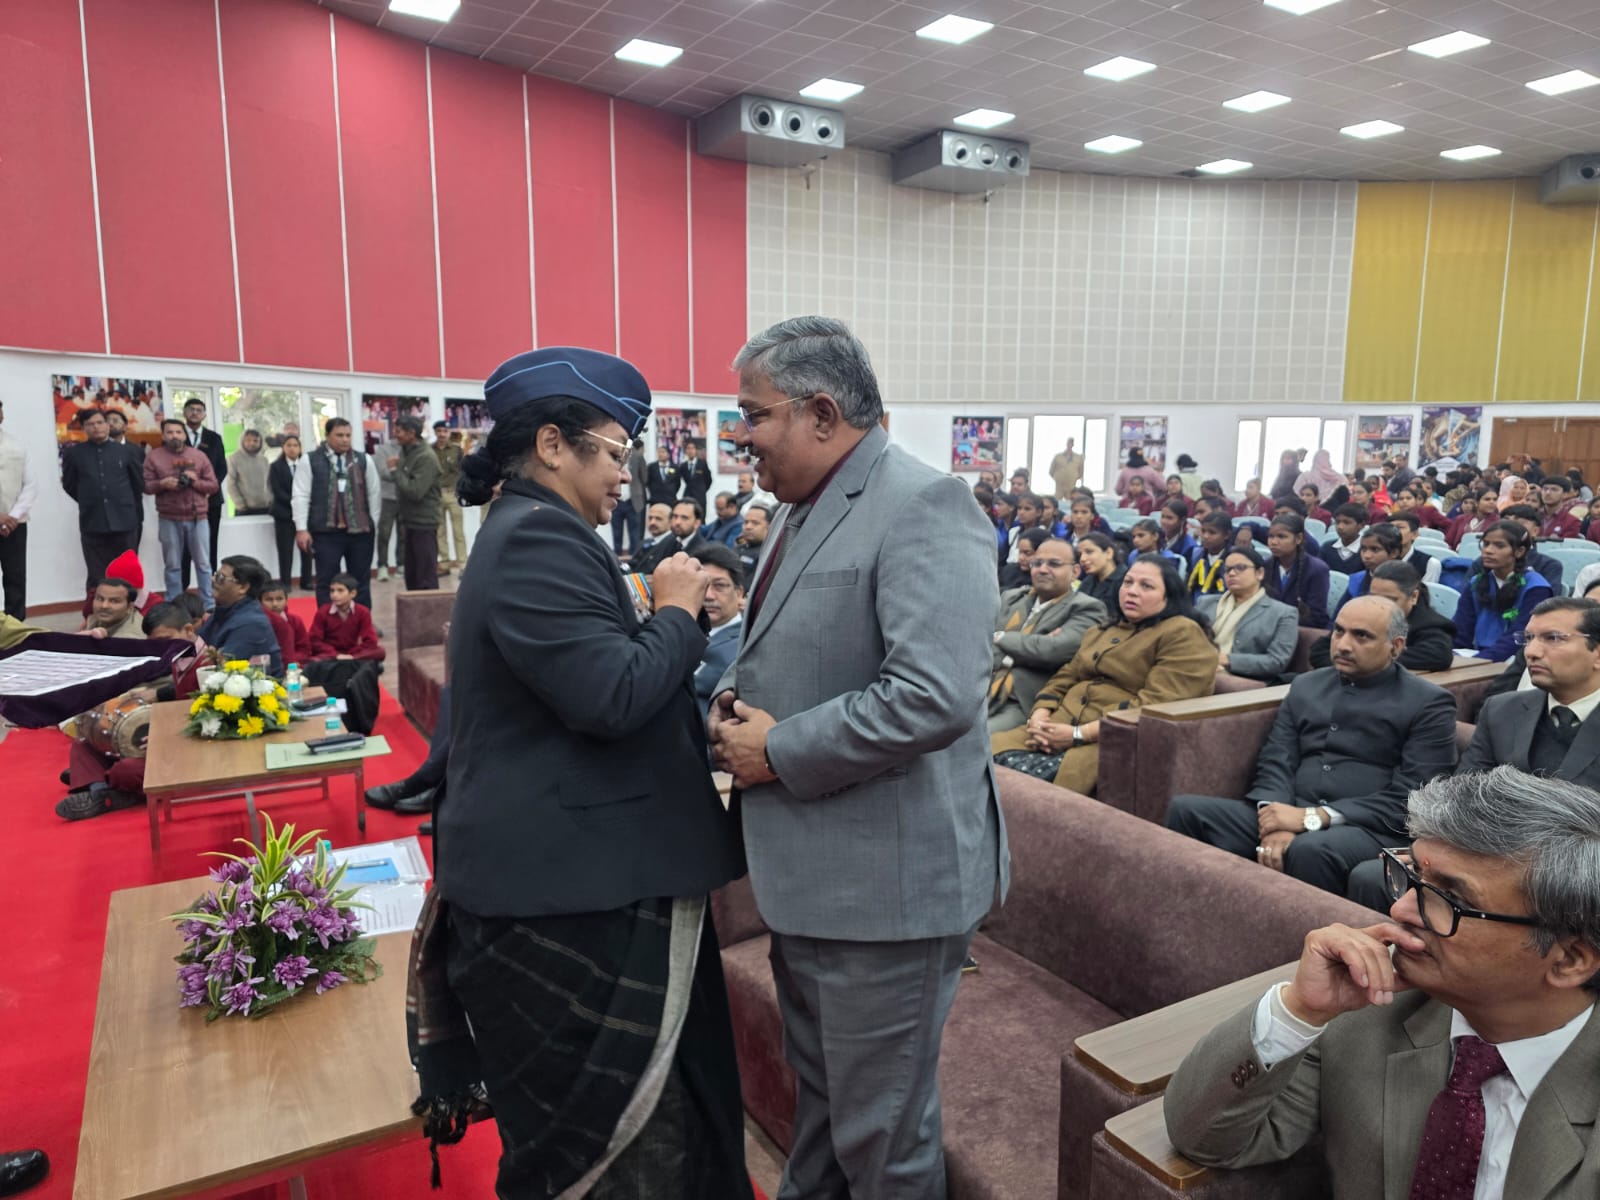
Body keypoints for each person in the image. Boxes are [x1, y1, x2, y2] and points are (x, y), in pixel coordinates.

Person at [420, 345, 751, 1198]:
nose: (625, 477)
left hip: (580, 873)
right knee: (626, 1157)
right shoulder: (537, 538)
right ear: (552, 446)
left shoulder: (541, 529)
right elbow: (610, 695)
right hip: (568, 897)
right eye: (615, 453)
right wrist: (678, 611)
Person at [706, 317, 1004, 1199]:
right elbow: (790, 647)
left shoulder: (924, 505)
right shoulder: (800, 507)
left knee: (883, 1141)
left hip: (887, 895)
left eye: (754, 414)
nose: (741, 436)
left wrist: (775, 749)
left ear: (822, 412)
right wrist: (735, 701)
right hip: (816, 878)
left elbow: (933, 696)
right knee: (829, 1111)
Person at [1164, 767, 1600, 1199]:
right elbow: (1201, 1138)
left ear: (1569, 960)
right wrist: (1298, 1011)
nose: (1401, 911)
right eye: (1413, 878)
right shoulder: (1369, 1008)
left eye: (1451, 899)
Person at [1167, 595, 1457, 896]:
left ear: (1395, 646)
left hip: (1368, 826)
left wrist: (1314, 818)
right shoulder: (1307, 685)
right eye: (1339, 631)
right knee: (1187, 811)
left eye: (1361, 636)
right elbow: (1277, 759)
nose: (1343, 644)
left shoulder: (1428, 702)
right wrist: (1274, 818)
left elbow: (1415, 797)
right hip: (1291, 809)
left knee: (1311, 850)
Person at [992, 556, 1218, 793]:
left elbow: (1156, 707)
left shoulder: (1182, 632)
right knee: (978, 757)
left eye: (1146, 586)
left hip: (1109, 740)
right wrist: (1039, 716)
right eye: (1128, 582)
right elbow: (1065, 676)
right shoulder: (1103, 630)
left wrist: (1078, 734)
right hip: (1054, 728)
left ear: (1169, 596)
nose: (1132, 591)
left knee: (1017, 785)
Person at [55, 601, 199, 822]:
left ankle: (98, 784)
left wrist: (168, 736)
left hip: (186, 748)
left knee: (126, 769)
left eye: (165, 640)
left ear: (188, 630)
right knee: (85, 742)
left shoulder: (209, 664)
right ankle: (100, 787)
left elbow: (209, 723)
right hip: (164, 734)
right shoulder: (178, 654)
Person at [989, 538, 1108, 734]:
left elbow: (1052, 650)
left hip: (1021, 700)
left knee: (970, 739)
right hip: (981, 688)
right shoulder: (1012, 597)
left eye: (1054, 564)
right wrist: (1029, 646)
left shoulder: (1087, 608)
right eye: (1037, 563)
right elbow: (978, 641)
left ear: (1075, 572)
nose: (1042, 570)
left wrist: (1000, 637)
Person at [292, 417, 381, 610]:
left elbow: (374, 494)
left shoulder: (364, 460)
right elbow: (300, 495)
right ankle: (327, 622)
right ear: (327, 436)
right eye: (339, 435)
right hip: (325, 532)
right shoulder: (310, 460)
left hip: (360, 532)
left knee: (360, 580)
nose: (344, 439)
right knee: (326, 580)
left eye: (348, 435)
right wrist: (301, 529)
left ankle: (362, 621)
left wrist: (372, 524)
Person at [1310, 560, 1455, 673]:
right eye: (1374, 597)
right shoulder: (1360, 614)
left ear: (1413, 597)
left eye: (1390, 600)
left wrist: (1366, 660)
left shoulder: (1430, 624)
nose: (1379, 605)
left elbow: (1439, 656)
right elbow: (1319, 652)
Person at [61, 409, 146, 598]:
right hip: (93, 521)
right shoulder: (74, 454)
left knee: (127, 572)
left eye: (100, 422)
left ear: (107, 425)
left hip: (125, 521)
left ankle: (130, 611)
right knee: (96, 574)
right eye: (90, 424)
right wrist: (91, 500)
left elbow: (138, 484)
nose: (96, 427)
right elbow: (69, 485)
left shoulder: (127, 451)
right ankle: (96, 611)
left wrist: (120, 502)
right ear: (84, 429)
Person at [144, 418, 219, 611]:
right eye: (170, 432)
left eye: (178, 432)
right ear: (163, 436)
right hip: (169, 517)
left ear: (185, 435)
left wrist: (194, 481)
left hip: (198, 518)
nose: (174, 436)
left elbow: (213, 486)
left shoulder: (199, 456)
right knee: (173, 564)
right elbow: (146, 486)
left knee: (204, 564)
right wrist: (162, 484)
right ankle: (174, 603)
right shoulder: (154, 457)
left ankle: (208, 603)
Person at [1197, 546, 1299, 682]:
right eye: (1227, 569)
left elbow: (1277, 661)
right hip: (1197, 666)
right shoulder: (1205, 603)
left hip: (1243, 681)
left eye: (1240, 568)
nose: (1231, 573)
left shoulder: (1283, 613)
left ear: (1260, 573)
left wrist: (1226, 659)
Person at [1456, 521, 1554, 661]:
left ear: (1519, 551)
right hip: (1475, 655)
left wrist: (1478, 661)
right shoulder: (1476, 582)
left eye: (1499, 545)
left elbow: (1520, 636)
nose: (1488, 550)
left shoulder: (1536, 587)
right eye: (1486, 544)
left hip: (1517, 659)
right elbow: (1461, 631)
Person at [199, 556, 282, 676]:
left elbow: (223, 672)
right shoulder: (223, 610)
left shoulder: (251, 624)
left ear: (243, 587)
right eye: (216, 575)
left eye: (221, 578)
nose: (212, 579)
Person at [177, 398, 227, 591]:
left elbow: (221, 469)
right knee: (183, 548)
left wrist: (208, 489)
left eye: (199, 410)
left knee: (209, 545)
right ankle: (182, 589)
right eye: (191, 409)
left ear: (204, 415)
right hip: (182, 502)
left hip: (210, 501)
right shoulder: (176, 438)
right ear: (184, 413)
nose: (195, 413)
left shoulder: (214, 438)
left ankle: (209, 588)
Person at [690, 543, 744, 709]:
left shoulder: (746, 644)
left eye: (719, 586)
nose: (708, 595)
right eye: (702, 586)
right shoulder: (681, 631)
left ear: (739, 593)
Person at [390, 416, 441, 591]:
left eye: (398, 431)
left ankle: (429, 610)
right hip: (409, 521)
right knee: (411, 575)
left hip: (424, 523)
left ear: (411, 433)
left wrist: (395, 471)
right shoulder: (406, 451)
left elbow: (415, 491)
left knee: (425, 576)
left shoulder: (426, 457)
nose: (395, 434)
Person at [0, 398, 37, 620]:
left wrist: (12, 517)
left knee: (15, 576)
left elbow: (30, 485)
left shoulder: (17, 445)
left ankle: (16, 625)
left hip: (14, 525)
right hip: (6, 521)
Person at [1263, 512, 1331, 628]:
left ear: (1299, 538)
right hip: (1268, 627)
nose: (1273, 542)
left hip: (1302, 629)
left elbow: (1317, 617)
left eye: (1281, 537)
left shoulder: (1317, 569)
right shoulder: (1265, 566)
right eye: (1271, 536)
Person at [268, 434, 314, 591]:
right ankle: (286, 583)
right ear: (283, 448)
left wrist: (303, 504)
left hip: (305, 514)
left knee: (307, 548)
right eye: (289, 445)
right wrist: (296, 502)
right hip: (284, 514)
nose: (292, 448)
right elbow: (277, 491)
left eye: (295, 445)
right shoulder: (276, 467)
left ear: (300, 448)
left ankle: (307, 581)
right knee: (285, 550)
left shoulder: (307, 465)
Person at [1332, 522, 1405, 617]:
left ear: (1394, 553)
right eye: (1363, 549)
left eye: (1375, 549)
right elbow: (1339, 615)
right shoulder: (1357, 580)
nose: (1366, 556)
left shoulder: (1406, 583)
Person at [308, 573, 384, 662]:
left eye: (340, 590)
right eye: (332, 591)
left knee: (380, 651)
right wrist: (335, 655)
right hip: (330, 655)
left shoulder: (363, 612)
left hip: (353, 654)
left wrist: (351, 655)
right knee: (313, 659)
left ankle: (351, 660)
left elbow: (371, 641)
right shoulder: (323, 612)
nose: (335, 595)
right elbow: (314, 640)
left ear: (353, 593)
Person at [1500, 504, 1566, 593]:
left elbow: (1549, 599)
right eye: (1506, 522)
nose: (1511, 527)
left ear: (1535, 531)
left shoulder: (1549, 565)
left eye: (1519, 523)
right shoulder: (1486, 561)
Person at [432, 421, 468, 572]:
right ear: (435, 432)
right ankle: (444, 563)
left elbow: (463, 471)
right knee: (440, 531)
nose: (442, 434)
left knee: (458, 530)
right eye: (439, 431)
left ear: (449, 433)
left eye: (445, 431)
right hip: (436, 495)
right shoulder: (430, 450)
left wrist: (462, 490)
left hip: (453, 494)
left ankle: (462, 563)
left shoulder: (456, 450)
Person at [373, 429, 404, 583]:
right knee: (384, 534)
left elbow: (417, 471)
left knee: (404, 534)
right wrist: (401, 471)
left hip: (406, 497)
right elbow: (383, 472)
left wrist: (395, 467)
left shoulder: (411, 449)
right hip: (388, 498)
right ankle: (382, 566)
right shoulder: (383, 449)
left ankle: (401, 564)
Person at [259, 579, 311, 667]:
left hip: (293, 665)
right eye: (269, 600)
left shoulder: (295, 620)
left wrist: (294, 660)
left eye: (279, 599)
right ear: (260, 602)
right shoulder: (257, 624)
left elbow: (304, 649)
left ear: (287, 600)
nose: (275, 604)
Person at [1186, 511, 1234, 600]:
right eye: (1203, 531)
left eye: (1212, 532)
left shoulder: (1234, 559)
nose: (1205, 536)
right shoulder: (1195, 555)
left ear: (1227, 535)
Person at [1387, 511, 1442, 585]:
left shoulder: (1429, 564)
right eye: (1390, 527)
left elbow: (1426, 591)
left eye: (1400, 527)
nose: (1393, 531)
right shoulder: (1379, 558)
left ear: (1415, 534)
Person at [225, 428, 271, 515]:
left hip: (265, 508)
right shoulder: (233, 459)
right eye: (248, 440)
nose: (252, 443)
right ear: (242, 441)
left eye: (255, 441)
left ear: (260, 443)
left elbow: (269, 482)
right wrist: (240, 504)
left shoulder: (264, 460)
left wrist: (270, 500)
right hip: (244, 510)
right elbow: (230, 484)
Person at [1075, 531, 1125, 609]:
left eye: (1089, 552)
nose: (1082, 559)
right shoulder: (1088, 581)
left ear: (1109, 553)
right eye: (1080, 555)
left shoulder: (1125, 581)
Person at [1320, 502, 1368, 575]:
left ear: (1361, 525)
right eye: (1337, 522)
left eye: (1346, 523)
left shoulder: (1366, 551)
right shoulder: (1327, 548)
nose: (1340, 527)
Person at [1540, 475, 1583, 540]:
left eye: (1554, 490)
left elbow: (1566, 545)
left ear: (1565, 494)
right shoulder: (1532, 516)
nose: (1548, 493)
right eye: (1545, 489)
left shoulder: (1572, 522)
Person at [736, 501, 770, 579]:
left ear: (769, 526)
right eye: (746, 522)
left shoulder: (768, 555)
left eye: (755, 523)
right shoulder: (738, 548)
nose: (748, 527)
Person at [1160, 499, 1199, 566]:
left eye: (1169, 518)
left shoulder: (1189, 547)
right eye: (1162, 517)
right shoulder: (1156, 538)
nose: (1164, 521)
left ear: (1182, 520)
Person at [678, 439, 712, 508]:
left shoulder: (702, 464)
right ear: (685, 451)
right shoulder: (683, 466)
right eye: (688, 448)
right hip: (688, 495)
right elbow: (679, 480)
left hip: (700, 496)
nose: (690, 451)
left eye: (692, 448)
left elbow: (709, 480)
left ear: (696, 450)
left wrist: (702, 489)